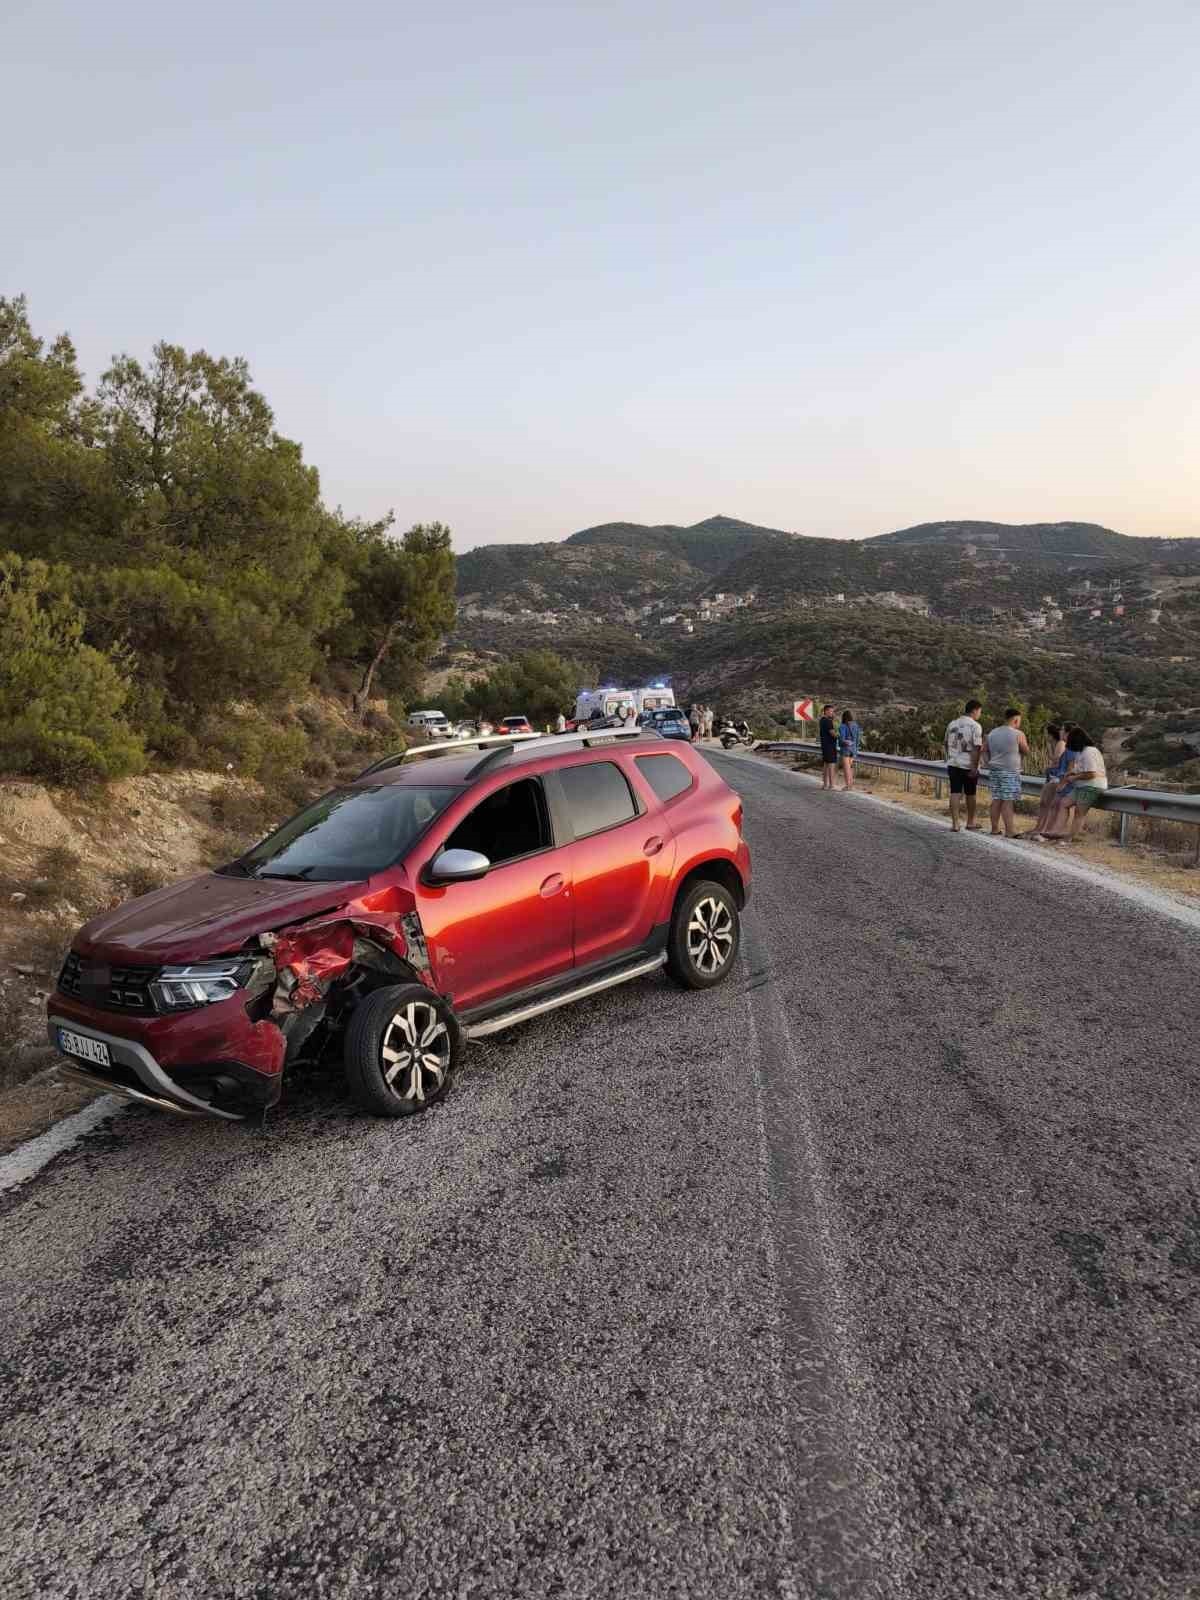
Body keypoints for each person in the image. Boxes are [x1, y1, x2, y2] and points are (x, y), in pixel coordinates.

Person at [1040, 729, 1108, 843]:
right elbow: (1081, 768)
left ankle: (1069, 838)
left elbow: (1092, 773)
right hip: (1082, 785)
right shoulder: (1083, 752)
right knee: (1064, 803)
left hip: (1092, 786)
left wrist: (1074, 778)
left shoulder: (1089, 752)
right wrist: (1070, 774)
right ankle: (1057, 831)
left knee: (1079, 812)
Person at [983, 707, 1029, 838]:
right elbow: (1026, 750)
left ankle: (995, 828)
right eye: (1019, 720)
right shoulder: (1018, 734)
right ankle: (1010, 831)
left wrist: (988, 763)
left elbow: (984, 749)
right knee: (1008, 800)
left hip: (995, 770)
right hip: (1009, 771)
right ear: (1015, 719)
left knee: (997, 798)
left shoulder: (992, 732)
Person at [1024, 722, 1071, 839]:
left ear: (1051, 734)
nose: (1045, 736)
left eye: (1046, 734)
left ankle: (1042, 828)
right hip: (1051, 776)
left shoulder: (1060, 743)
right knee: (1044, 803)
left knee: (1047, 803)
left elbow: (1056, 761)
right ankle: (1039, 827)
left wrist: (1049, 749)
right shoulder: (1055, 744)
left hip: (1055, 777)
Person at [944, 698, 984, 832]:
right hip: (968, 764)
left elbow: (945, 743)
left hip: (953, 763)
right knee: (970, 794)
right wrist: (974, 767)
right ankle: (970, 822)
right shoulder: (975, 726)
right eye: (980, 711)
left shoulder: (952, 723)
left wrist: (950, 756)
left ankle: (955, 824)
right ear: (975, 710)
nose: (980, 714)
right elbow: (977, 748)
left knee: (955, 792)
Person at [838, 709, 862, 791]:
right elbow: (858, 739)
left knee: (846, 768)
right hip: (853, 749)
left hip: (845, 749)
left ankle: (848, 786)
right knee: (850, 768)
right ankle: (851, 785)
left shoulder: (843, 726)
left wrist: (843, 742)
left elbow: (841, 738)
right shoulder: (856, 725)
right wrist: (855, 748)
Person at [818, 703, 839, 790]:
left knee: (826, 765)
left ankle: (825, 785)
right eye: (831, 711)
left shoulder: (822, 720)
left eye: (833, 712)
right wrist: (839, 736)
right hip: (830, 745)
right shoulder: (828, 721)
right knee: (831, 765)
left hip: (824, 745)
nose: (832, 713)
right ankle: (832, 785)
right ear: (826, 711)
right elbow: (833, 734)